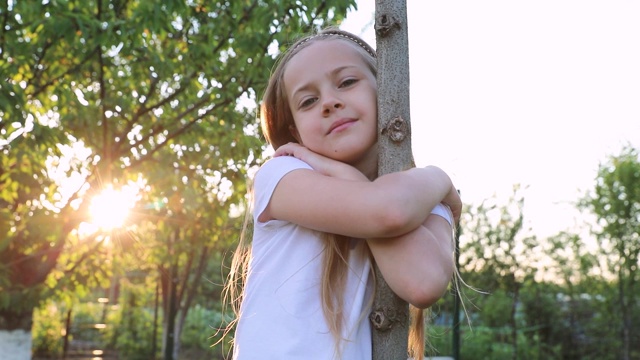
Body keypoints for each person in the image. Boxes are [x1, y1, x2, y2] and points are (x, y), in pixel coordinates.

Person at [225, 27, 462, 359]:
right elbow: (387, 212)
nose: (330, 102)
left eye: (347, 82)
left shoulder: (423, 201)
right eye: (308, 101)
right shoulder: (282, 175)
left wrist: (430, 182)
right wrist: (441, 179)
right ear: (294, 130)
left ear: (387, 90)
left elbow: (421, 284)